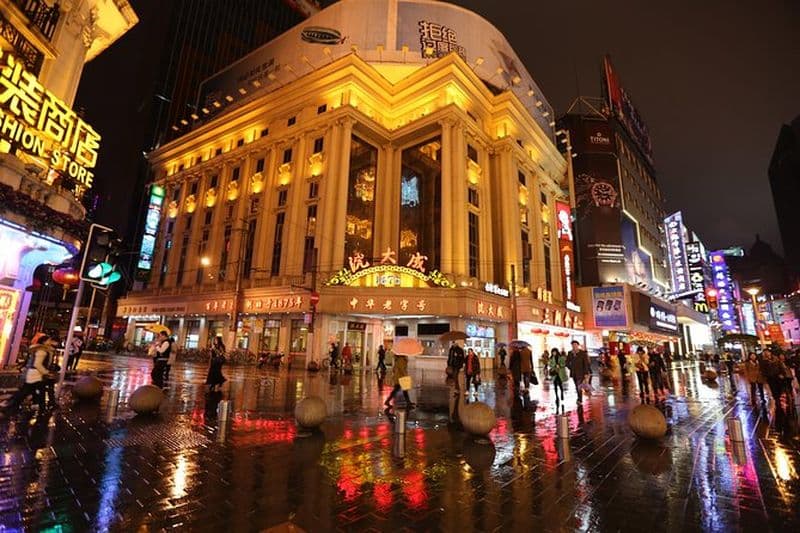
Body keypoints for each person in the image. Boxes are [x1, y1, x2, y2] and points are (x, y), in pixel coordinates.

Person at [5, 334, 56, 414]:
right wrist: (46, 372)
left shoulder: (39, 349)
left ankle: (13, 405)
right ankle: (12, 405)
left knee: (30, 391)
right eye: (49, 340)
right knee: (29, 392)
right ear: (44, 341)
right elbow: (37, 364)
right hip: (35, 375)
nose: (50, 342)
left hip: (34, 374)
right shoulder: (41, 351)